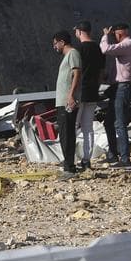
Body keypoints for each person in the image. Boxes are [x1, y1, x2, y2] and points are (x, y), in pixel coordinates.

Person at [99, 22, 131, 168]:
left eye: (115, 34)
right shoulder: (128, 46)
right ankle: (113, 154)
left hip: (124, 87)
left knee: (120, 123)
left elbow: (105, 49)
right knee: (109, 122)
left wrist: (104, 35)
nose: (114, 36)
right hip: (119, 87)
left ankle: (125, 159)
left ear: (119, 33)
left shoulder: (127, 44)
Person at [72, 21, 105, 170]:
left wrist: (71, 92)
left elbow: (75, 72)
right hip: (92, 91)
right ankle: (87, 159)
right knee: (88, 128)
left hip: (79, 92)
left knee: (73, 126)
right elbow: (101, 72)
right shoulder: (98, 48)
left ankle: (70, 159)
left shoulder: (78, 49)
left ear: (79, 31)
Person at [52, 30, 82, 177]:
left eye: (55, 44)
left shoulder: (73, 54)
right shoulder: (67, 57)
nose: (55, 47)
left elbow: (77, 73)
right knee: (65, 133)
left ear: (62, 42)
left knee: (67, 134)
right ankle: (68, 163)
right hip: (62, 101)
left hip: (67, 101)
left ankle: (69, 168)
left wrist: (70, 95)